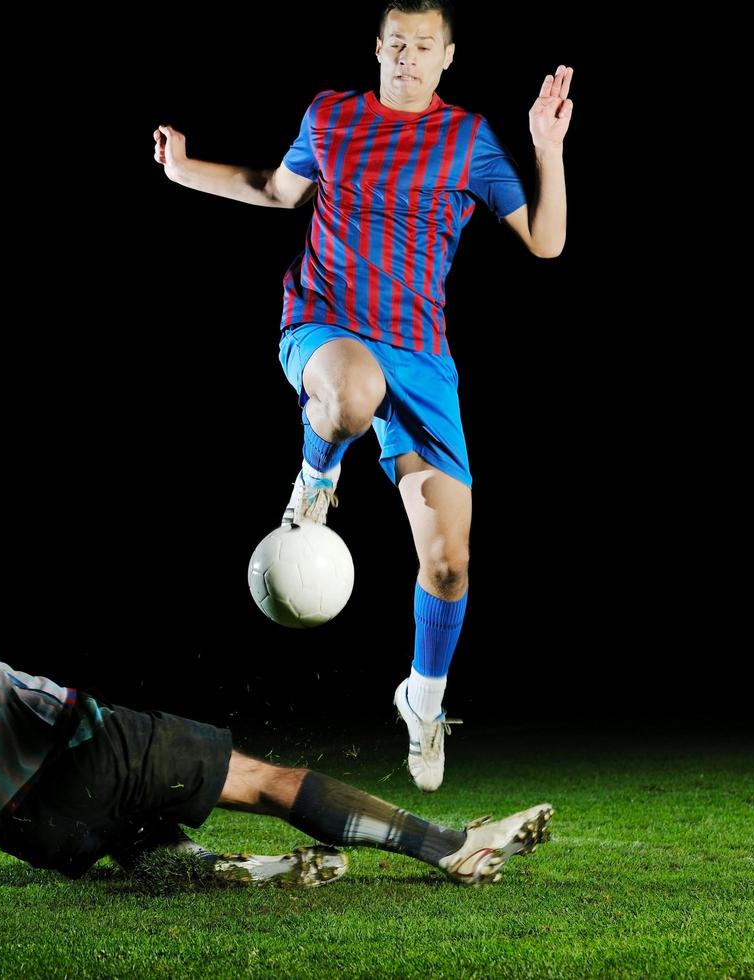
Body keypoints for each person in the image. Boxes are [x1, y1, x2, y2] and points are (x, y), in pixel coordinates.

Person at [152, 0, 571, 792]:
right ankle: (313, 484)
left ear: (447, 57)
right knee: (350, 388)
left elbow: (544, 242)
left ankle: (423, 698)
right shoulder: (332, 116)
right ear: (376, 49)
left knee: (447, 563)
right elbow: (276, 190)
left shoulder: (469, 140)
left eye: (423, 47)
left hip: (421, 358)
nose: (407, 58)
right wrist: (184, 170)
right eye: (395, 45)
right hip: (324, 328)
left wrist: (546, 148)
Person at [0, 505, 552, 893]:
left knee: (126, 844)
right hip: (71, 741)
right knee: (261, 779)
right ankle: (447, 845)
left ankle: (254, 875)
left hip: (12, 820)